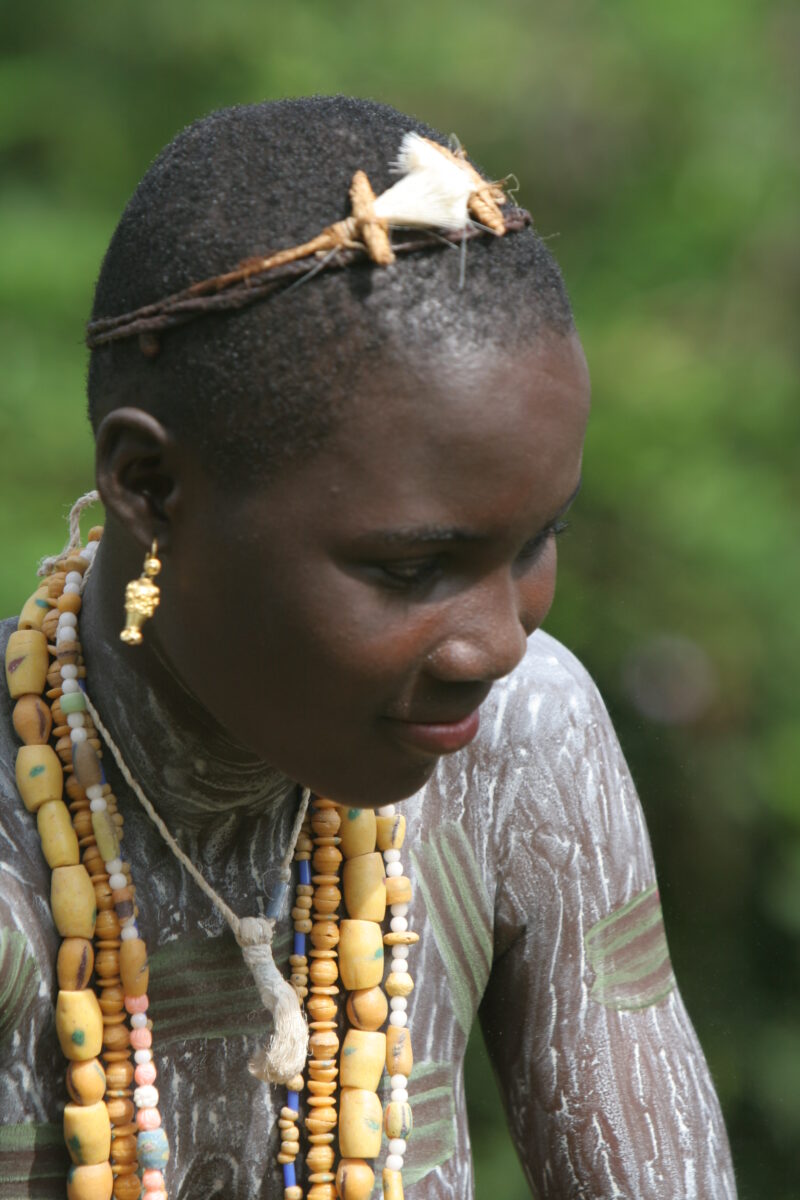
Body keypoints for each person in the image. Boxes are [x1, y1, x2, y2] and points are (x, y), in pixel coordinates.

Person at [0, 96, 736, 1199]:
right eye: (406, 570)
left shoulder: (522, 745)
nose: (494, 645)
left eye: (538, 542)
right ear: (150, 486)